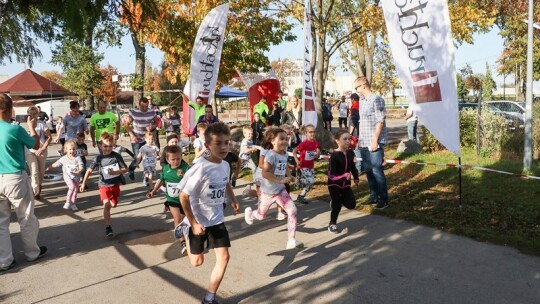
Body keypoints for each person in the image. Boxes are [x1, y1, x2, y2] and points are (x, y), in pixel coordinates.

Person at [177, 122, 240, 304]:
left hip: (217, 218)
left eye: (226, 143)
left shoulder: (225, 165)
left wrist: (233, 199)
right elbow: (183, 196)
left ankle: (209, 298)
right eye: (218, 143)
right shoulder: (200, 168)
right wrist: (194, 223)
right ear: (207, 146)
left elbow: (225, 182)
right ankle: (185, 231)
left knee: (224, 257)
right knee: (197, 263)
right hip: (197, 220)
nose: (223, 147)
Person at [0, 93, 47, 272]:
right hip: (15, 178)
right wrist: (32, 128)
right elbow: (35, 145)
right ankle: (32, 253)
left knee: (1, 223)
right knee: (26, 217)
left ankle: (4, 260)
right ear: (11, 110)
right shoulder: (15, 129)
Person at [244, 128, 303, 250]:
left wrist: (289, 176)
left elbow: (284, 165)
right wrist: (280, 180)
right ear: (273, 141)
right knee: (261, 216)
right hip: (268, 192)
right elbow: (265, 173)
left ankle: (291, 239)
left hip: (280, 191)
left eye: (286, 139)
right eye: (281, 139)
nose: (285, 141)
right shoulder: (271, 155)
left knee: (292, 210)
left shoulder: (285, 153)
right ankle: (250, 214)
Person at [80, 132, 128, 237]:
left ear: (113, 145)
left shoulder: (117, 156)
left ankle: (108, 214)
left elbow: (125, 169)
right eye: (105, 146)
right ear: (101, 145)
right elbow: (89, 170)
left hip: (115, 185)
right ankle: (108, 227)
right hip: (103, 185)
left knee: (114, 205)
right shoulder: (98, 158)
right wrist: (83, 183)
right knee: (106, 205)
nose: (108, 148)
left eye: (110, 146)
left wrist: (115, 172)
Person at [147, 145, 190, 255]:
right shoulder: (166, 169)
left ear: (181, 157)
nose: (176, 161)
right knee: (177, 218)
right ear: (167, 159)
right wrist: (153, 191)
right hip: (172, 200)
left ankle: (187, 236)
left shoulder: (186, 168)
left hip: (184, 200)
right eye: (173, 159)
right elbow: (161, 180)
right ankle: (182, 241)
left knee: (185, 220)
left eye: (178, 159)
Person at [355, 76, 389, 209]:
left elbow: (380, 121)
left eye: (357, 87)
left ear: (363, 85)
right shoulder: (362, 100)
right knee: (368, 170)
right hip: (363, 141)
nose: (356, 90)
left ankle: (383, 199)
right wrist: (359, 140)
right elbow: (362, 122)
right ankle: (374, 196)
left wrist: (375, 140)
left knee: (377, 170)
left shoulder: (377, 99)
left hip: (374, 142)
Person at [327, 129, 359, 234]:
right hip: (334, 183)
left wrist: (356, 177)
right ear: (337, 141)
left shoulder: (350, 152)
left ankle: (337, 201)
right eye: (344, 139)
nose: (348, 141)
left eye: (349, 138)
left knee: (351, 204)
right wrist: (343, 176)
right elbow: (331, 174)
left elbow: (352, 167)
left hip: (345, 184)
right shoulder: (334, 156)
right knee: (337, 204)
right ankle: (332, 224)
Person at [125, 97, 158, 180]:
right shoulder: (134, 112)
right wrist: (132, 135)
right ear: (139, 105)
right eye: (142, 106)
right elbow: (126, 124)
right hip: (135, 139)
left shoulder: (151, 112)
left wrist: (152, 126)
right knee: (138, 159)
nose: (144, 108)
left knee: (146, 157)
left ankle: (146, 175)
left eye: (146, 106)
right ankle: (131, 169)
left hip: (146, 139)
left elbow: (157, 122)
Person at [45, 140, 84, 211]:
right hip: (67, 177)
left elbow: (81, 166)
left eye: (74, 149)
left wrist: (78, 172)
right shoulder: (64, 159)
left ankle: (73, 203)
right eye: (70, 149)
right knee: (71, 187)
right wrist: (48, 168)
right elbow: (56, 164)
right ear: (66, 150)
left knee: (75, 191)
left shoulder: (77, 158)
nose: (72, 151)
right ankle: (68, 202)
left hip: (76, 177)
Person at [25, 106, 52, 199]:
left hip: (41, 150)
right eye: (30, 114)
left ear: (37, 114)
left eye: (34, 113)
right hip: (30, 151)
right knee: (34, 171)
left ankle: (39, 185)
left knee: (41, 171)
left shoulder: (41, 124)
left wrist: (43, 148)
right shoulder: (25, 125)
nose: (32, 115)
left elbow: (49, 137)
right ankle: (35, 191)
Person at [293, 124, 320, 204]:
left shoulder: (315, 143)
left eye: (314, 132)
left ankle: (301, 197)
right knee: (311, 181)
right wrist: (297, 161)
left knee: (310, 183)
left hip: (310, 166)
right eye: (310, 132)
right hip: (303, 166)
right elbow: (294, 151)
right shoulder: (304, 144)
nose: (312, 134)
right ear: (305, 133)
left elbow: (316, 155)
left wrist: (317, 154)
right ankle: (297, 180)